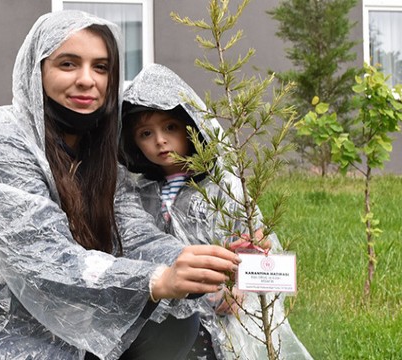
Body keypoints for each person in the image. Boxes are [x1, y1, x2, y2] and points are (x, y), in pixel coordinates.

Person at [0, 11, 242, 360]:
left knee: (175, 323)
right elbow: (43, 262)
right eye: (68, 64)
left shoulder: (94, 152)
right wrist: (157, 279)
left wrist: (200, 267)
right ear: (37, 70)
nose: (87, 80)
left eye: (100, 67)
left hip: (56, 315)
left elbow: (132, 234)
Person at [119, 63, 314, 360]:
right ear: (132, 141)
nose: (160, 140)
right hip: (165, 313)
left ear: (192, 127)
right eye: (146, 133)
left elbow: (255, 241)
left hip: (219, 306)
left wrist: (239, 286)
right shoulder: (138, 193)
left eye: (170, 127)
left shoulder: (223, 187)